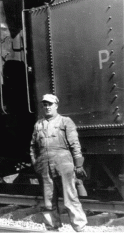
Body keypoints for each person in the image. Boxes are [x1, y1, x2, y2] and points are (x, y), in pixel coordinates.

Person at [30, 94, 88, 232]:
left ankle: (80, 229)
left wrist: (78, 164)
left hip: (64, 164)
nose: (47, 107)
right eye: (45, 104)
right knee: (48, 201)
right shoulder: (38, 124)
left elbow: (75, 144)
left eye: (50, 104)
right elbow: (33, 147)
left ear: (56, 105)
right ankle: (52, 228)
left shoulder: (65, 121)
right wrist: (36, 163)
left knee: (70, 199)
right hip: (44, 165)